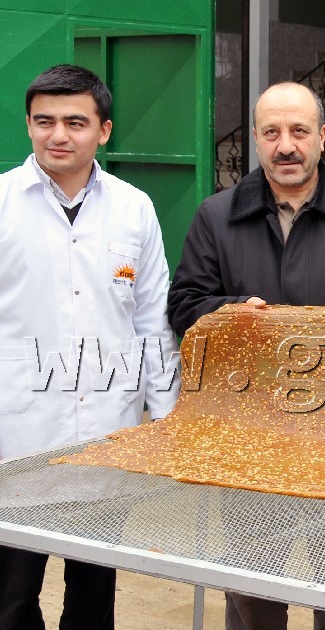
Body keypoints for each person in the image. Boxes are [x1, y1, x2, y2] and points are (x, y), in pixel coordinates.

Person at [168, 81, 325, 630]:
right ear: (256, 138)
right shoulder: (216, 216)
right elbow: (184, 305)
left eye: (299, 131)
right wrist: (232, 312)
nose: (286, 146)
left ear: (322, 136)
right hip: (247, 430)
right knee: (252, 588)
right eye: (271, 133)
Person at [0, 65, 179, 630]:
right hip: (16, 442)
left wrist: (166, 419)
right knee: (9, 599)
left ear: (104, 130)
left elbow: (152, 318)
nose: (58, 135)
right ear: (28, 125)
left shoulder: (133, 207)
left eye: (75, 122)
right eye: (44, 121)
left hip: (107, 437)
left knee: (93, 599)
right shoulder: (2, 203)